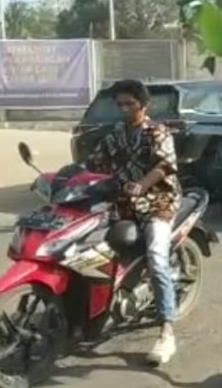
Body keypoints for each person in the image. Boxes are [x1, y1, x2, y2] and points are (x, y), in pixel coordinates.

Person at [88, 79, 182, 365]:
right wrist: (64, 177)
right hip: (124, 203)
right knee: (90, 248)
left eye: (130, 103)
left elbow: (164, 165)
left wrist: (142, 185)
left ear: (144, 105)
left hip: (158, 202)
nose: (124, 109)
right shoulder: (115, 135)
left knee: (156, 256)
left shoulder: (157, 132)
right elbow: (95, 162)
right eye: (120, 104)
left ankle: (167, 332)